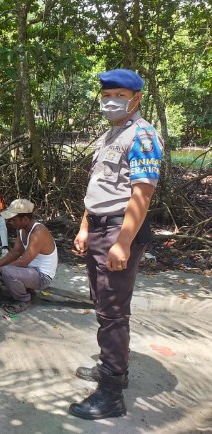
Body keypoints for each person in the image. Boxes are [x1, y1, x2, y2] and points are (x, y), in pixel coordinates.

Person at [69, 69, 164, 420]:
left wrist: (122, 243)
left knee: (112, 312)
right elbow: (99, 187)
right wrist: (83, 226)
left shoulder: (142, 136)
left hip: (117, 232)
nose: (111, 100)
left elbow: (142, 193)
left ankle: (111, 394)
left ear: (136, 98)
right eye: (107, 94)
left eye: (120, 95)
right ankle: (113, 372)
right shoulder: (111, 134)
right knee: (102, 304)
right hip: (98, 229)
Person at [0, 199, 57, 311]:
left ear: (25, 219)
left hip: (42, 276)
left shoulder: (38, 232)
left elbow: (23, 261)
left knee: (7, 271)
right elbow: (15, 253)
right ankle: (26, 288)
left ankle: (24, 299)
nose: (11, 222)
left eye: (13, 220)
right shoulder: (22, 230)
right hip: (30, 270)